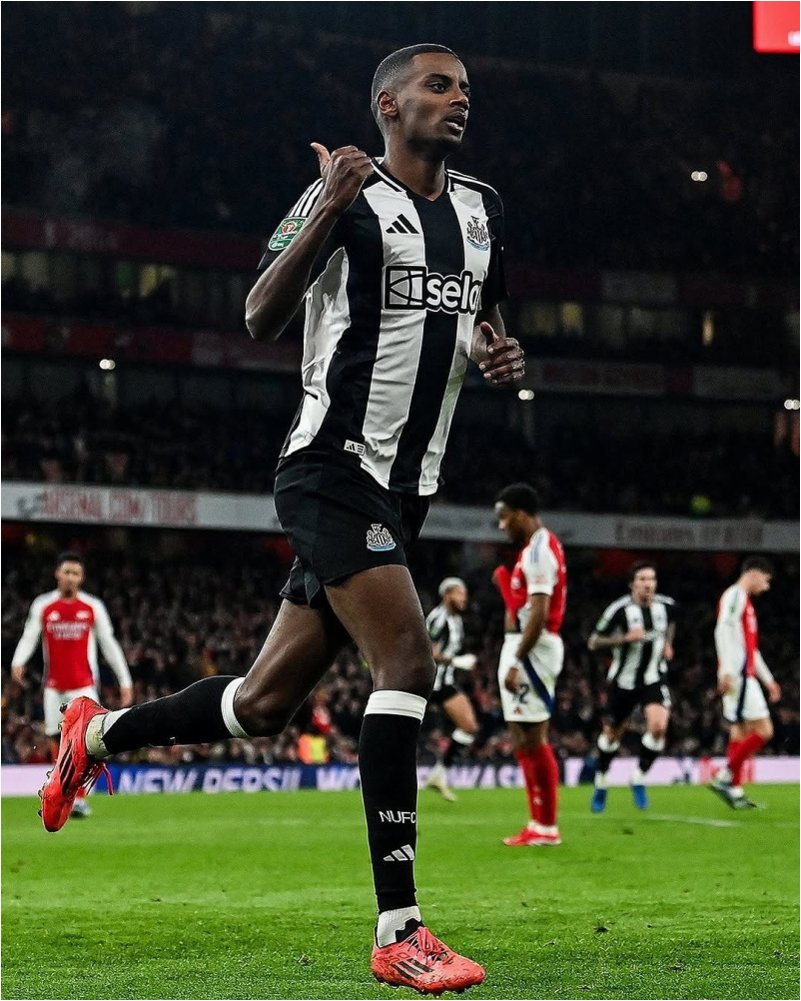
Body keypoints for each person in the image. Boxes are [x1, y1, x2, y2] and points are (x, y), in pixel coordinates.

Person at [40, 43, 524, 994]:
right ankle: (400, 930)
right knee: (407, 662)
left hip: (408, 486)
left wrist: (498, 354)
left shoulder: (482, 208)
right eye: (437, 85)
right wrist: (331, 204)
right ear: (388, 105)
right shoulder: (345, 195)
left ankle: (92, 736)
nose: (459, 98)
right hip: (331, 466)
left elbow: (482, 319)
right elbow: (261, 313)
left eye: (465, 87)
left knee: (264, 706)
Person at [11, 551, 132, 818]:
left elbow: (109, 644)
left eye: (75, 573)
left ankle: (79, 798)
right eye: (66, 572)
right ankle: (63, 796)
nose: (70, 577)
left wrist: (125, 680)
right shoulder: (43, 605)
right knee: (57, 741)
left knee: (82, 743)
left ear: (81, 577)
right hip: (53, 686)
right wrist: (18, 662)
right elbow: (29, 636)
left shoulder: (92, 606)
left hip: (83, 686)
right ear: (57, 573)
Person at [492, 484, 566, 847]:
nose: (502, 525)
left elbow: (538, 612)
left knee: (534, 736)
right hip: (525, 647)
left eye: (505, 517)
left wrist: (518, 659)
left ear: (521, 514)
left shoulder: (539, 551)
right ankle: (537, 822)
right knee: (522, 736)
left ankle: (547, 825)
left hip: (533, 651)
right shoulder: (534, 549)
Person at [587, 562, 676, 812]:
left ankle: (638, 778)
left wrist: (668, 643)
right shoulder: (618, 610)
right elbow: (593, 641)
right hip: (623, 682)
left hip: (653, 677)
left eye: (652, 579)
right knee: (612, 735)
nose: (648, 584)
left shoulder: (666, 606)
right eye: (642, 579)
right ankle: (601, 781)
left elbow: (671, 623)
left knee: (658, 727)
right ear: (632, 584)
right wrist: (624, 638)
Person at [709, 556, 780, 809]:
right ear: (754, 573)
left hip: (743, 673)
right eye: (766, 580)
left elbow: (751, 648)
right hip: (738, 675)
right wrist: (727, 671)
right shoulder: (735, 596)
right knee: (764, 731)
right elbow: (722, 630)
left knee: (740, 732)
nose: (766, 587)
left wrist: (768, 680)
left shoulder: (745, 603)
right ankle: (724, 776)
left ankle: (735, 791)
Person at [424, 577, 479, 802]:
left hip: (444, 683)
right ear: (446, 595)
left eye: (464, 593)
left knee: (469, 726)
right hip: (430, 683)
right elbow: (430, 652)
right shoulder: (439, 618)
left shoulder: (456, 620)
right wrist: (457, 662)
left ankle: (439, 775)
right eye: (459, 593)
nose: (464, 598)